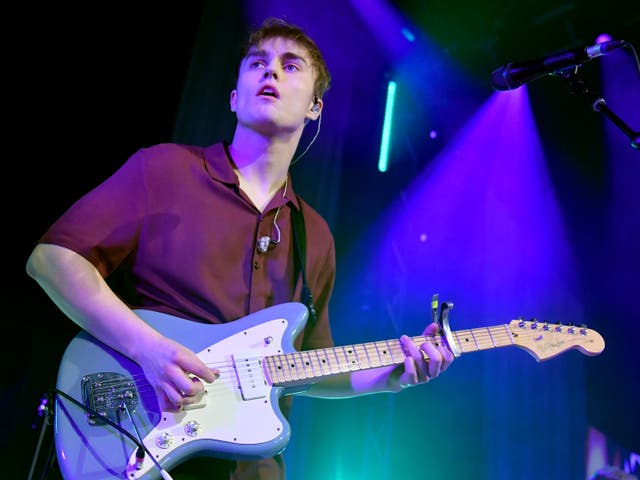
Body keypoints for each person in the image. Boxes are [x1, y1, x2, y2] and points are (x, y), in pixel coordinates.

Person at [26, 17, 455, 480]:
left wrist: (394, 375)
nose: (271, 71)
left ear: (315, 107)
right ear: (234, 97)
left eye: (291, 65)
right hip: (143, 437)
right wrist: (149, 349)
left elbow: (311, 363)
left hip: (252, 468)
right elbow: (52, 259)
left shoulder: (314, 235)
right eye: (257, 63)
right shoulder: (165, 169)